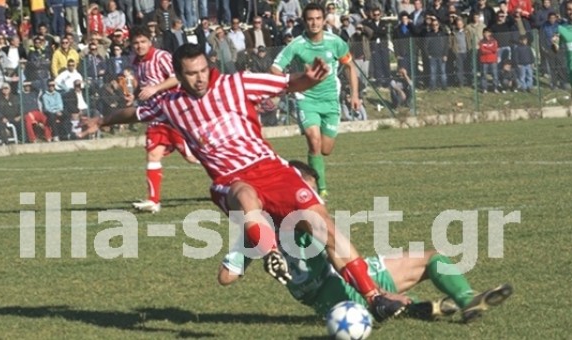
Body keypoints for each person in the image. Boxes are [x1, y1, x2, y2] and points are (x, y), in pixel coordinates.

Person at [80, 43, 407, 321]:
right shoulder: (170, 104)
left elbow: (286, 83)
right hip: (229, 180)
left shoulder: (238, 83)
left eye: (203, 69)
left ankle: (375, 298)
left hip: (273, 170)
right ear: (178, 76)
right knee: (245, 194)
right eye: (191, 73)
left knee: (324, 227)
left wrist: (307, 78)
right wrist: (101, 120)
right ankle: (270, 252)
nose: (199, 77)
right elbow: (133, 113)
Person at [217, 160, 514, 323]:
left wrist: (248, 248)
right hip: (345, 288)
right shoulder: (304, 217)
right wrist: (378, 290)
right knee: (432, 258)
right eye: (307, 188)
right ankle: (466, 300)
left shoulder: (257, 230)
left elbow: (226, 278)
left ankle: (418, 310)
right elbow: (338, 256)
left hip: (322, 304)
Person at [270, 3, 360, 198]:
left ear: (324, 20)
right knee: (314, 141)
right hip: (306, 99)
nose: (314, 23)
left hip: (330, 101)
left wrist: (354, 95)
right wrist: (296, 81)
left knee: (325, 149)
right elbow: (275, 69)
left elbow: (350, 67)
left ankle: (308, 173)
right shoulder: (297, 45)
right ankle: (320, 188)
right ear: (304, 21)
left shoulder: (335, 42)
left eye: (318, 18)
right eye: (310, 19)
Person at [128, 26, 197, 213]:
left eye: (143, 42)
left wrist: (156, 88)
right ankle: (153, 201)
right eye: (135, 43)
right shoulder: (134, 61)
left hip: (173, 114)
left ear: (150, 42)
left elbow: (178, 78)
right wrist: (134, 94)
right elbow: (145, 85)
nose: (139, 46)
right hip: (156, 116)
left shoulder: (162, 57)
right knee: (152, 155)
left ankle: (237, 175)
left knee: (192, 157)